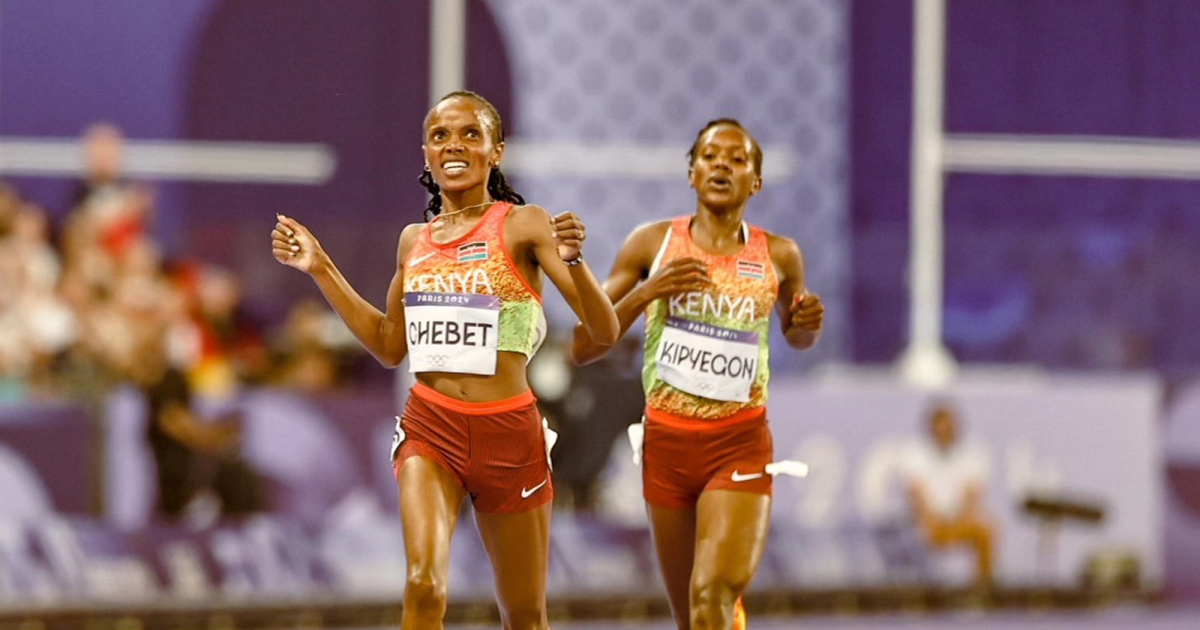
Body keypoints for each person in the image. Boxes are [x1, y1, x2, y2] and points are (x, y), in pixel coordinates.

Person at [270, 91, 618, 630]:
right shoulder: (415, 241)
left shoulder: (524, 226)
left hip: (509, 436)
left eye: (470, 134)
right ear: (426, 155)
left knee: (524, 615)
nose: (453, 145)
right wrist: (322, 269)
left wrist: (577, 264)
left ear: (496, 151)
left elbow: (605, 329)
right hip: (431, 430)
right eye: (440, 136)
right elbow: (389, 345)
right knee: (424, 586)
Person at [573, 119, 824, 630]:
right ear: (691, 172)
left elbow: (796, 334)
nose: (721, 166)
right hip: (666, 447)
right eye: (710, 156)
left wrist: (804, 327)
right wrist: (648, 291)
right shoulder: (650, 245)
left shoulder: (779, 256)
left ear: (755, 181)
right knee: (693, 616)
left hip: (739, 444)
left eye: (737, 159)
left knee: (711, 592)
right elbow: (583, 344)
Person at [902, 399, 994, 587]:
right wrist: (929, 519)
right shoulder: (914, 454)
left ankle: (983, 588)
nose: (943, 433)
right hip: (927, 521)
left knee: (987, 529)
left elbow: (972, 495)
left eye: (947, 428)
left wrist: (959, 518)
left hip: (958, 520)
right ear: (931, 429)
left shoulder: (971, 453)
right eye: (939, 428)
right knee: (922, 532)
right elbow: (916, 495)